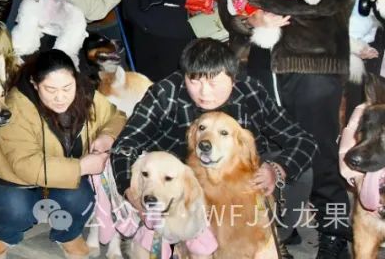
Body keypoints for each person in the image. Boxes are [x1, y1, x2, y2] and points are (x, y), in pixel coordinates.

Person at [219, 0, 354, 259]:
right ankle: (281, 227)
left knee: (319, 149)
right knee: (270, 150)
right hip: (265, 67)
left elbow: (323, 1)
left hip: (316, 67)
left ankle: (334, 234)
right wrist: (251, 19)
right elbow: (228, 5)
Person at [111, 40, 316, 240]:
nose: (204, 92)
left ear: (233, 78)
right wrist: (131, 191)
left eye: (213, 82)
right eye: (194, 81)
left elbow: (303, 140)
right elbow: (125, 145)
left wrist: (277, 169)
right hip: (184, 183)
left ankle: (274, 237)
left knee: (301, 173)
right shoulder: (165, 94)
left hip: (239, 177)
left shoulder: (250, 91)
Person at [0, 49, 126, 259]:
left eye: (67, 87)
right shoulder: (16, 106)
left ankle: (67, 234)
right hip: (10, 177)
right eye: (50, 89)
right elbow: (26, 165)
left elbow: (117, 117)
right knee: (17, 212)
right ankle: (2, 233)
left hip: (59, 175)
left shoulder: (86, 94)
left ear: (75, 80)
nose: (60, 97)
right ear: (35, 83)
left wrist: (107, 136)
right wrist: (81, 167)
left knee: (80, 199)